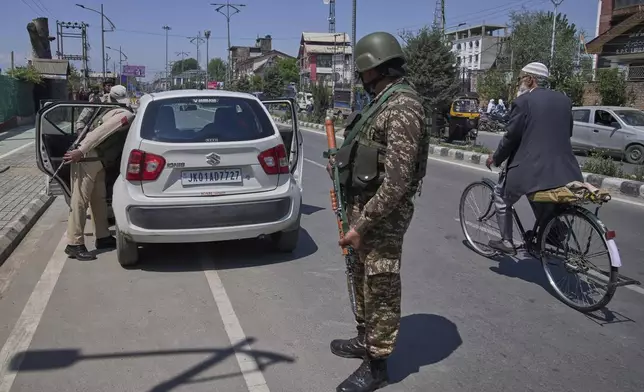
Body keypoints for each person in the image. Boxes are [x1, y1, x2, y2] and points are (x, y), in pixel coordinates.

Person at [327, 31, 429, 392]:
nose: (361, 78)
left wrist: (363, 223)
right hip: (364, 208)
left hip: (383, 216)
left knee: (380, 282)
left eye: (363, 71)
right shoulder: (381, 102)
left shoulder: (402, 107)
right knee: (359, 276)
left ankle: (377, 364)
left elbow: (397, 183)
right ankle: (364, 337)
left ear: (375, 68)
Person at [485, 62, 583, 255]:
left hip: (533, 169)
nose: (520, 82)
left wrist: (495, 158)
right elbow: (567, 132)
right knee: (539, 196)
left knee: (501, 196)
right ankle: (551, 231)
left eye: (521, 78)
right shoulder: (564, 100)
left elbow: (512, 137)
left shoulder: (524, 102)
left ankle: (506, 241)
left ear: (530, 79)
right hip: (565, 170)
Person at [63, 85, 134, 260]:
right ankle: (74, 243)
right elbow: (101, 133)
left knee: (98, 200)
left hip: (98, 161)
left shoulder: (105, 109)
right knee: (80, 200)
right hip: (88, 158)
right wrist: (81, 150)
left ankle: (102, 237)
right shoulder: (124, 114)